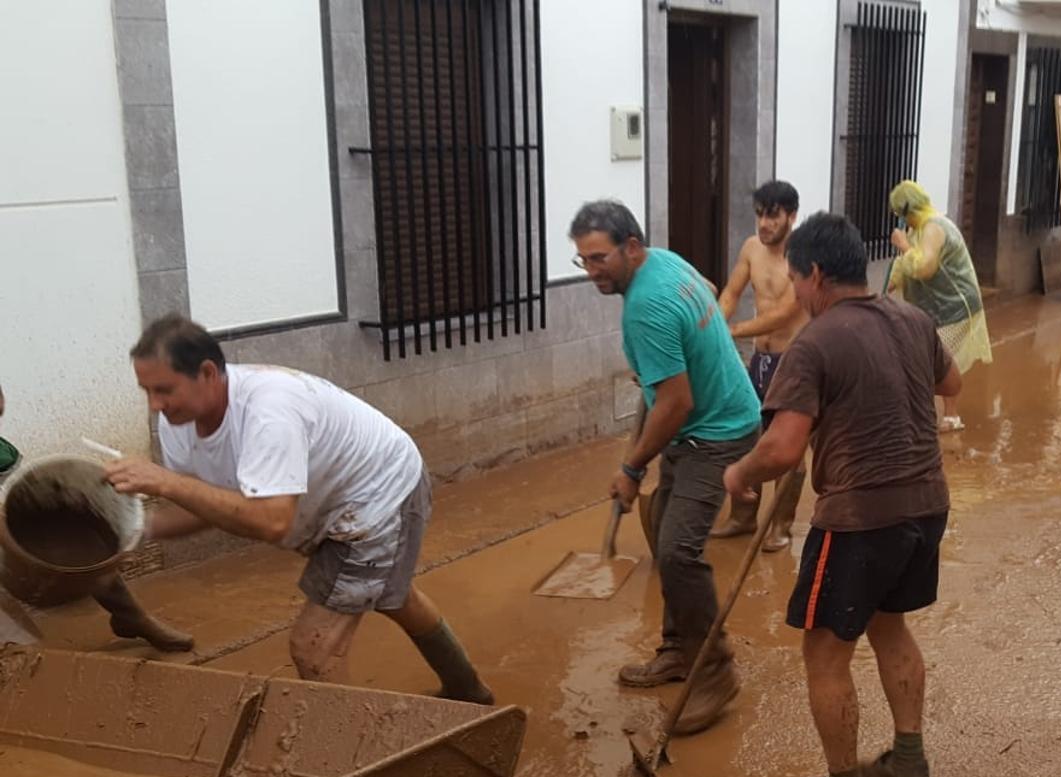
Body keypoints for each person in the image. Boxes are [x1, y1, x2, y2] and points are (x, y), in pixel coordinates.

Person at [105, 317, 493, 702]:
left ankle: (349, 756)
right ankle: (468, 689)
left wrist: (167, 483)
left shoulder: (269, 410)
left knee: (314, 646)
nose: (155, 405)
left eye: (163, 390)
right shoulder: (179, 422)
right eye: (146, 392)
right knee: (394, 596)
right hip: (337, 502)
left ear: (207, 373)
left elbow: (272, 521)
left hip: (377, 492)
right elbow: (212, 503)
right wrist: (141, 530)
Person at [724, 213, 959, 777]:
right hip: (927, 504)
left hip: (859, 518)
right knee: (891, 627)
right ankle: (907, 762)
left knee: (825, 655)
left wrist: (739, 475)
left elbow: (780, 450)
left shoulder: (816, 341)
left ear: (817, 274)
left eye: (797, 279)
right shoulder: (911, 318)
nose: (797, 292)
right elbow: (952, 380)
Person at [569, 200, 761, 734]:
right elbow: (700, 284)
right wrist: (668, 363)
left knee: (678, 550)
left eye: (600, 258)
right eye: (582, 260)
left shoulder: (644, 309)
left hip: (715, 432)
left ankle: (716, 669)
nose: (592, 271)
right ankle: (679, 649)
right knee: (660, 526)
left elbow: (674, 402)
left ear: (631, 247)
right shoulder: (668, 262)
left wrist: (630, 468)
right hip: (703, 420)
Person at [0, 384, 193, 652]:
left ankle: (131, 617)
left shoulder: (3, 453)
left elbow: (15, 491)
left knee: (79, 535)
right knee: (18, 653)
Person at [712, 180, 810, 552]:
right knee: (746, 435)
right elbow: (732, 292)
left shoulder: (802, 257)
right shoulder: (751, 249)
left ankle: (781, 525)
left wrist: (730, 331)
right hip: (760, 361)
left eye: (772, 215)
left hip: (793, 362)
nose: (764, 224)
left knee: (788, 446)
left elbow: (786, 314)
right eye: (760, 215)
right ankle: (742, 517)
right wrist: (716, 324)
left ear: (791, 216)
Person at [888, 180, 992, 432]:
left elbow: (924, 268)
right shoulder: (918, 229)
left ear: (908, 211)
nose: (902, 221)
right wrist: (885, 289)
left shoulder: (934, 228)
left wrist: (903, 246)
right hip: (934, 309)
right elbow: (903, 267)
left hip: (954, 307)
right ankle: (923, 412)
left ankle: (951, 416)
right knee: (927, 358)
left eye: (900, 215)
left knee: (941, 360)